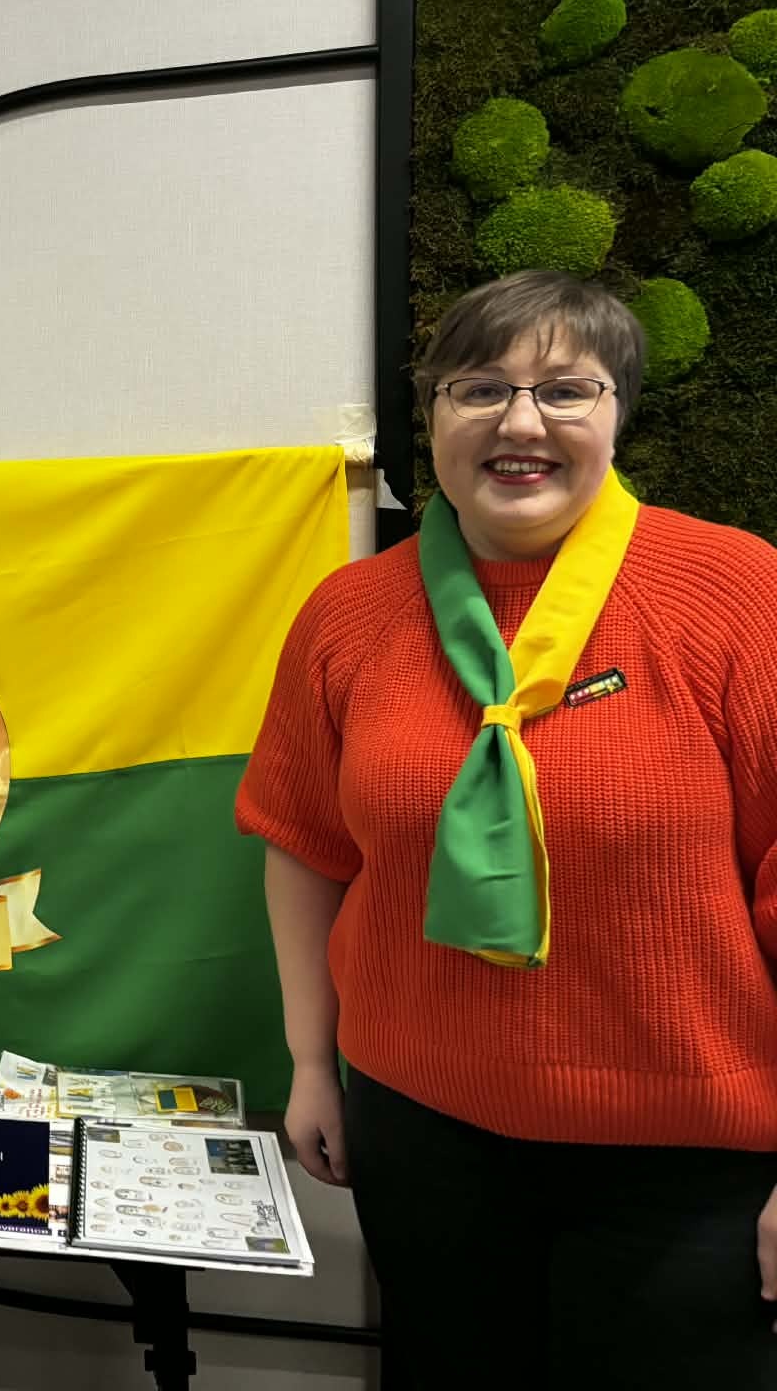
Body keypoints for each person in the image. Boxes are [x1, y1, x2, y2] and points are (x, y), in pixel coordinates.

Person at [236, 270, 777, 1387]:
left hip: (691, 1163)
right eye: (479, 388)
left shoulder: (737, 594)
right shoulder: (348, 615)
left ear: (618, 415)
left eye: (564, 391)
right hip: (423, 1135)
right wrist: (310, 1063)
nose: (519, 423)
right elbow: (304, 846)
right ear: (431, 417)